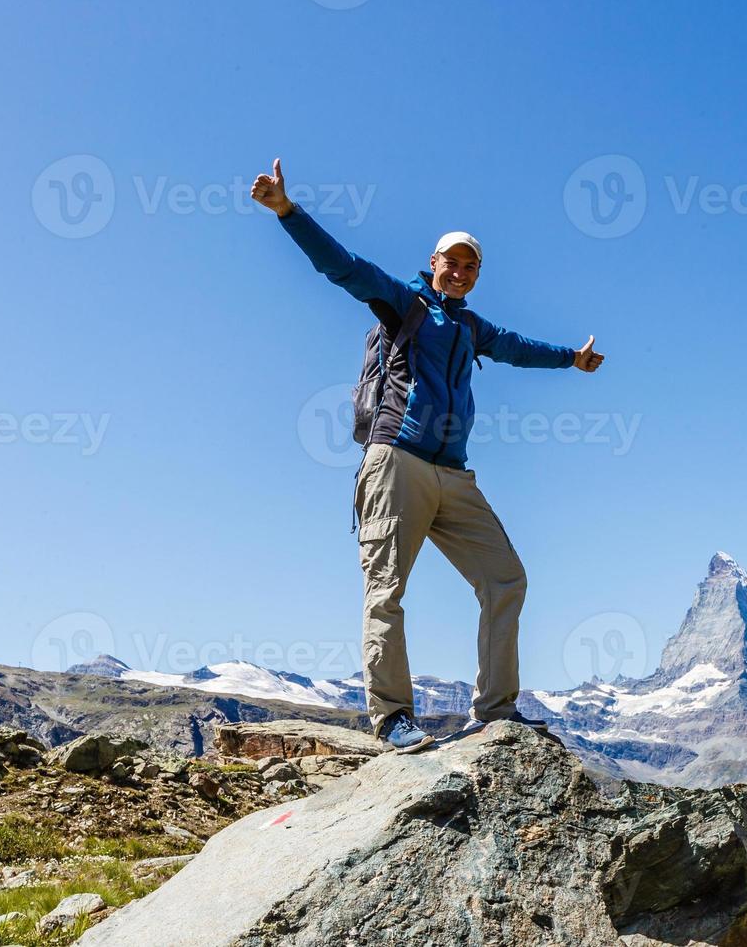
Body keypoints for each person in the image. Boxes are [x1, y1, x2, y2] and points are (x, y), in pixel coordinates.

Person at [251, 159, 605, 752]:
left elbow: (518, 348)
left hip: (453, 475)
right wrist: (289, 211)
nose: (461, 271)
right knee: (386, 589)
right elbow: (344, 267)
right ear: (434, 263)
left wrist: (572, 357)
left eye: (472, 265)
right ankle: (392, 717)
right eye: (453, 261)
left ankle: (494, 711)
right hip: (397, 463)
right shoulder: (403, 303)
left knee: (505, 578)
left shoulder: (471, 328)